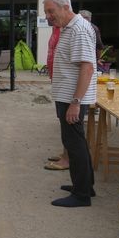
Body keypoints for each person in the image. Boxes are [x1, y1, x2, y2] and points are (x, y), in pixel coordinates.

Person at [44, 0, 97, 207]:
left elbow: (87, 67)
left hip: (72, 99)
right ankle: (84, 187)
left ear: (66, 7)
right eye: (46, 12)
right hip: (67, 96)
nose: (48, 16)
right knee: (76, 143)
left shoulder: (79, 29)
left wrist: (76, 102)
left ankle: (81, 195)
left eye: (51, 11)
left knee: (74, 144)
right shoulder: (68, 28)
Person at [44, 25, 70, 171]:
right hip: (57, 80)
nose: (47, 16)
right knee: (62, 119)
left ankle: (67, 159)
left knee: (67, 122)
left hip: (65, 83)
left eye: (49, 11)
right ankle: (65, 153)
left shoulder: (67, 29)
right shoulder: (56, 28)